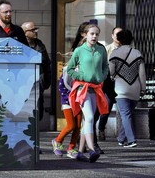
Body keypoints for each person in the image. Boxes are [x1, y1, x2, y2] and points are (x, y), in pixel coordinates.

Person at [67, 24, 109, 163]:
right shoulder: (79, 50)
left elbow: (105, 67)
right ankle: (91, 149)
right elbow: (70, 69)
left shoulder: (101, 50)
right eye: (92, 33)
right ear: (85, 34)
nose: (94, 36)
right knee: (90, 117)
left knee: (87, 121)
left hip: (96, 89)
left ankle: (80, 152)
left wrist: (101, 77)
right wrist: (81, 77)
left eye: (97, 34)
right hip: (82, 89)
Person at [51, 22, 89, 158]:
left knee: (78, 125)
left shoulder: (87, 66)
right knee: (71, 125)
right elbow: (63, 85)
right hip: (68, 97)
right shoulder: (69, 68)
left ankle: (72, 148)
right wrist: (71, 96)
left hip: (80, 96)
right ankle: (57, 141)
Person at [109, 29, 146, 148]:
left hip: (120, 88)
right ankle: (121, 138)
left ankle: (131, 140)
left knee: (125, 114)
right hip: (135, 88)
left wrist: (114, 77)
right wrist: (143, 88)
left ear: (118, 39)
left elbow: (111, 71)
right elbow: (142, 74)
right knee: (128, 114)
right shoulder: (137, 53)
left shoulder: (114, 53)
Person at [95, 27, 123, 142]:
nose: (119, 36)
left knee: (124, 110)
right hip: (108, 83)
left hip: (122, 83)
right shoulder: (106, 49)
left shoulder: (128, 50)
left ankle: (124, 135)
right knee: (106, 106)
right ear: (112, 36)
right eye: (117, 34)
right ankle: (101, 128)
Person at [21, 22, 51, 121]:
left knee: (39, 110)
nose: (35, 32)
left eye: (36, 29)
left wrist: (47, 81)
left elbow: (47, 63)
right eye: (33, 30)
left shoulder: (39, 44)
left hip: (38, 82)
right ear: (25, 32)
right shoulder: (19, 45)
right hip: (23, 84)